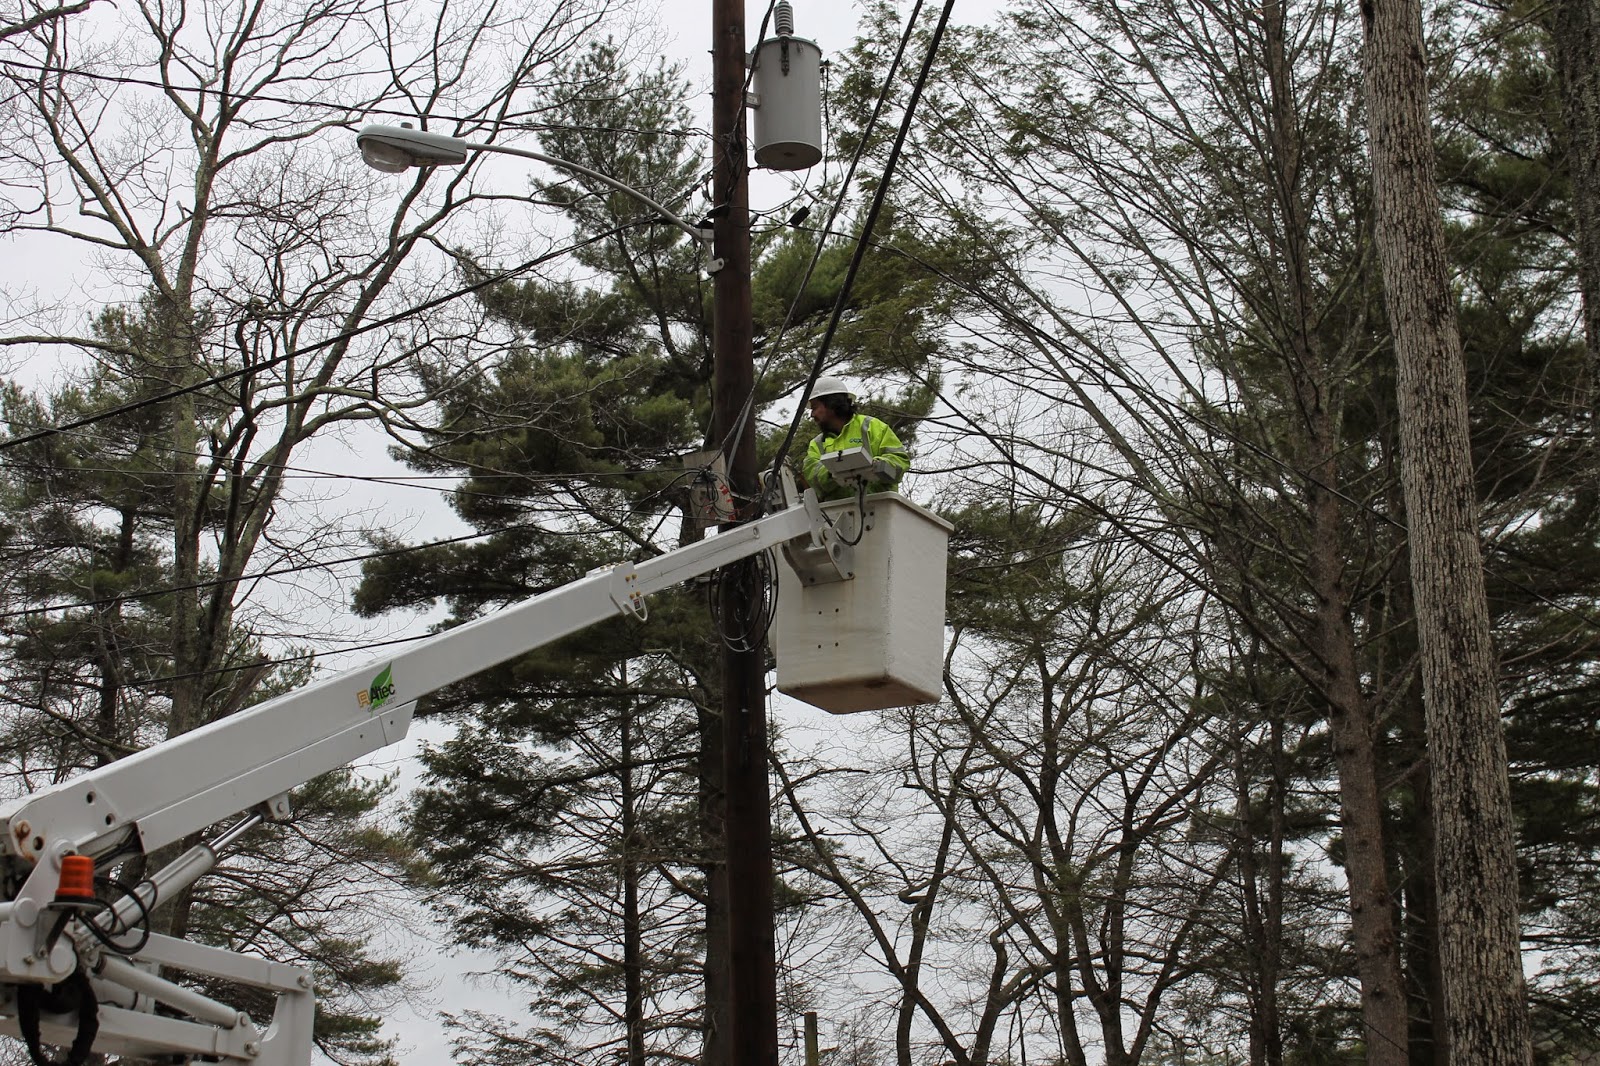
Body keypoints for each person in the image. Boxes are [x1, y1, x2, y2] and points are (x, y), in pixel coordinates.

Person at [800, 375, 911, 500]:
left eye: (815, 408)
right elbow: (813, 475)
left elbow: (899, 461)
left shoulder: (872, 427)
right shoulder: (817, 444)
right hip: (837, 515)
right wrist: (834, 473)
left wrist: (875, 466)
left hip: (881, 509)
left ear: (832, 404)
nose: (812, 414)